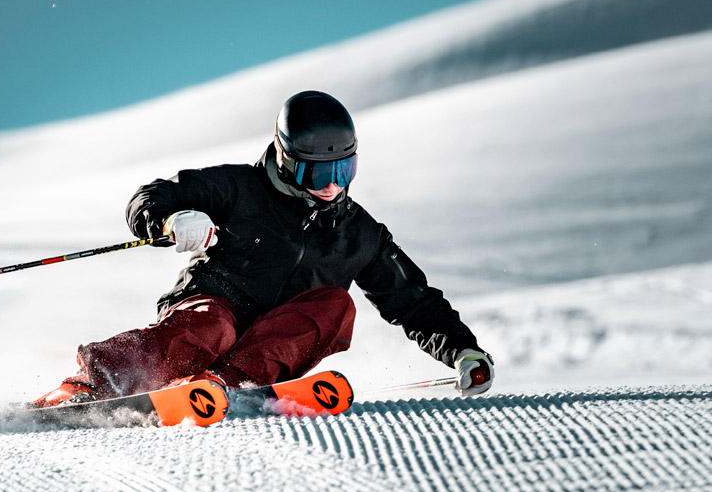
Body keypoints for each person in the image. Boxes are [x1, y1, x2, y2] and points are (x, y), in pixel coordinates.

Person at [30, 90, 494, 407]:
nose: (332, 187)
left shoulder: (361, 234)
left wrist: (464, 352)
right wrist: (169, 220)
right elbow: (150, 197)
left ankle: (223, 386)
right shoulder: (240, 187)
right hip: (213, 306)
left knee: (336, 304)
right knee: (212, 325)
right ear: (289, 161)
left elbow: (413, 301)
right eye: (318, 174)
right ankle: (88, 386)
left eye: (344, 172)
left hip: (274, 343)